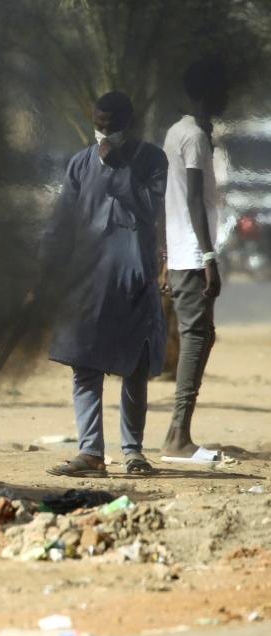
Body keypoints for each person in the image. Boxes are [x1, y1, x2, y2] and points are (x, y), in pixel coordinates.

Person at [41, 92, 168, 478]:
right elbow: (62, 221)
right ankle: (90, 452)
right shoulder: (80, 163)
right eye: (98, 125)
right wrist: (46, 268)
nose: (103, 133)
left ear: (128, 123)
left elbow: (150, 209)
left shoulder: (152, 160)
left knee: (135, 367)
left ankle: (133, 452)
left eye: (110, 126)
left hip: (134, 278)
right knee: (85, 364)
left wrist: (119, 169)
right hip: (89, 279)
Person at [160, 58, 230, 460]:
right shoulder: (194, 137)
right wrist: (208, 256)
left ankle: (179, 433)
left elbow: (168, 199)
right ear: (208, 92)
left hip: (182, 251)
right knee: (197, 338)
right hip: (192, 254)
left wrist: (165, 255)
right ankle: (177, 436)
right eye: (223, 91)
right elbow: (191, 200)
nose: (227, 98)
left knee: (203, 336)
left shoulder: (180, 132)